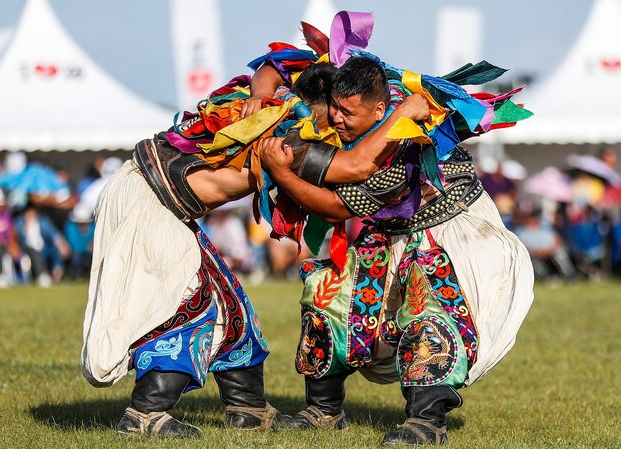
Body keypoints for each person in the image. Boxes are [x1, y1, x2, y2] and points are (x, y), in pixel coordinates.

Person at [81, 60, 429, 438]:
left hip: (154, 196)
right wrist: (406, 112)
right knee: (192, 309)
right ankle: (144, 415)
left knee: (233, 307)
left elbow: (272, 65)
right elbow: (357, 166)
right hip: (150, 202)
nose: (339, 122)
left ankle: (247, 408)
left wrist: (261, 92)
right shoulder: (287, 134)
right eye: (336, 111)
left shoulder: (261, 101)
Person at [260, 56, 534, 446]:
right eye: (334, 106)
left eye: (347, 111)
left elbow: (336, 207)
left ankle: (427, 421)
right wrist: (260, 95)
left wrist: (283, 173)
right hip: (390, 235)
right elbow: (278, 66)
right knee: (328, 296)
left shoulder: (405, 138)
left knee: (431, 308)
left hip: (453, 235)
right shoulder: (387, 92)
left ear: (377, 108)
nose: (336, 117)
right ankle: (323, 410)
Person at [0, 186, 20, 287]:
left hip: (4, 246)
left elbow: (11, 232)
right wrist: (2, 242)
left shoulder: (6, 216)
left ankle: (3, 275)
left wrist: (13, 244)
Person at [63, 204, 94, 280]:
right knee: (76, 256)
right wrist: (88, 246)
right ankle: (75, 275)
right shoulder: (70, 227)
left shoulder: (93, 227)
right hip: (75, 253)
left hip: (89, 254)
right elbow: (74, 244)